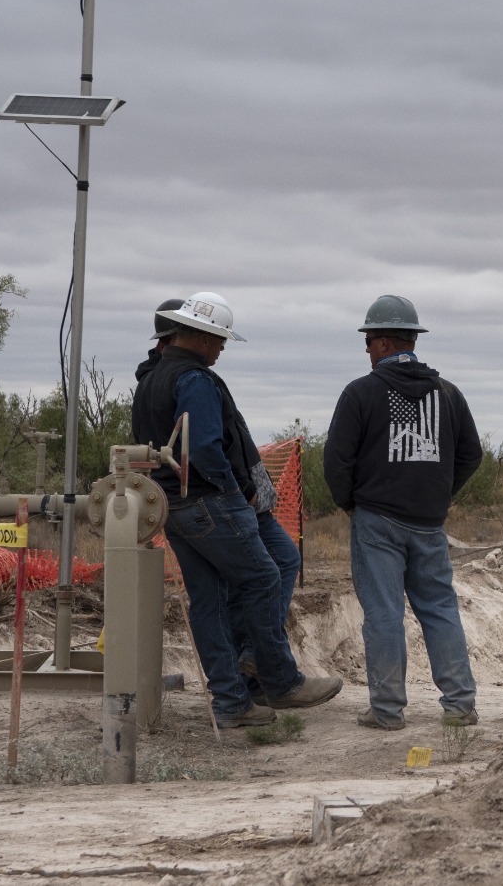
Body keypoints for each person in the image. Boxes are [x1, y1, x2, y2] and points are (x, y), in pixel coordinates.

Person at [131, 292, 341, 728]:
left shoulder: (152, 378)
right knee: (264, 577)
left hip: (172, 504)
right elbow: (205, 446)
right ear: (203, 337)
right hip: (210, 502)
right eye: (221, 339)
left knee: (209, 597)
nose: (222, 348)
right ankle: (279, 680)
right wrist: (234, 489)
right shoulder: (195, 380)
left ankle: (232, 702)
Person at [322, 295, 484, 731]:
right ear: (414, 338)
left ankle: (388, 711)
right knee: (440, 608)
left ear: (383, 344)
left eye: (369, 341)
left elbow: (337, 460)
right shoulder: (449, 394)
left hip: (377, 520)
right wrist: (440, 494)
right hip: (429, 522)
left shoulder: (361, 392)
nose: (367, 350)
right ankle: (460, 705)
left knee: (383, 614)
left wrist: (349, 502)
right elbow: (472, 454)